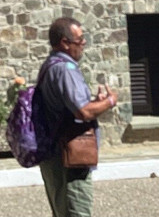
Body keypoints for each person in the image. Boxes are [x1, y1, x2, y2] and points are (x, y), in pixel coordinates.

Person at [35, 17, 119, 217]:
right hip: (70, 156)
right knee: (77, 210)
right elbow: (83, 112)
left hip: (55, 153)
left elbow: (71, 105)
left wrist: (94, 101)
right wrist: (110, 101)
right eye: (80, 40)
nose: (83, 44)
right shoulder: (65, 69)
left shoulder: (50, 65)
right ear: (65, 42)